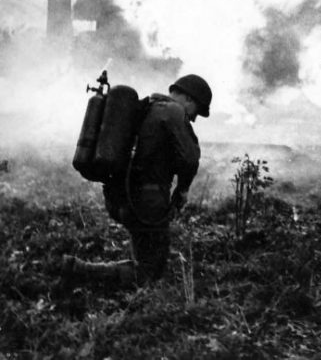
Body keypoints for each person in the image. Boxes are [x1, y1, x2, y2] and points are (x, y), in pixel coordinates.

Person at [63, 74, 212, 287]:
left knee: (146, 260)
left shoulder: (145, 108)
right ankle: (79, 271)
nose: (193, 117)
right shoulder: (173, 112)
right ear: (189, 99)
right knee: (149, 273)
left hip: (120, 197)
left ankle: (94, 278)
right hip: (147, 203)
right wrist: (182, 192)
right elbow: (189, 160)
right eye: (195, 111)